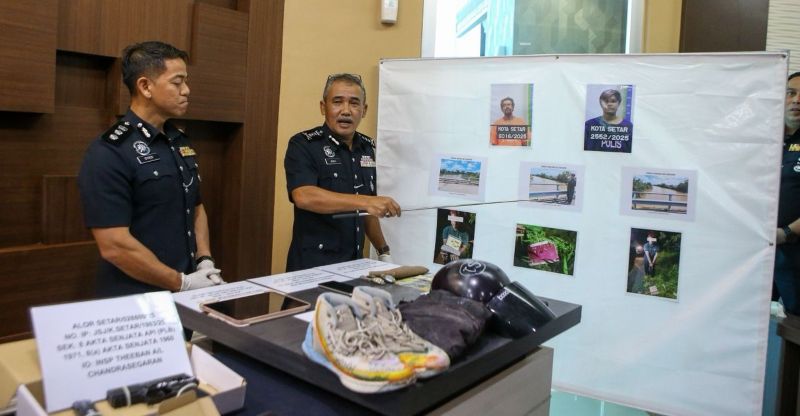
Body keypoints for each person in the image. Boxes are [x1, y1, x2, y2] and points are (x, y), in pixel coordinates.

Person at [78, 41, 224, 297]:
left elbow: (196, 206)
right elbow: (114, 245)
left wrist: (204, 259)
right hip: (136, 297)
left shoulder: (179, 141)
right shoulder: (110, 151)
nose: (186, 90)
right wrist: (181, 282)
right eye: (177, 82)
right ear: (145, 86)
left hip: (184, 290)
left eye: (186, 81)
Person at [284, 73, 400, 272]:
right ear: (323, 107)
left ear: (364, 110)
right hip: (313, 268)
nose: (346, 111)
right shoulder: (303, 144)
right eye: (337, 102)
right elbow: (304, 196)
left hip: (354, 266)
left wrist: (384, 251)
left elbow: (367, 210)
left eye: (354, 103)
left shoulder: (367, 148)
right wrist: (366, 201)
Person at [773, 71, 800, 315]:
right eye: (791, 93)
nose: (796, 100)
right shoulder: (764, 139)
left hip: (793, 251)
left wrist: (787, 232)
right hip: (758, 249)